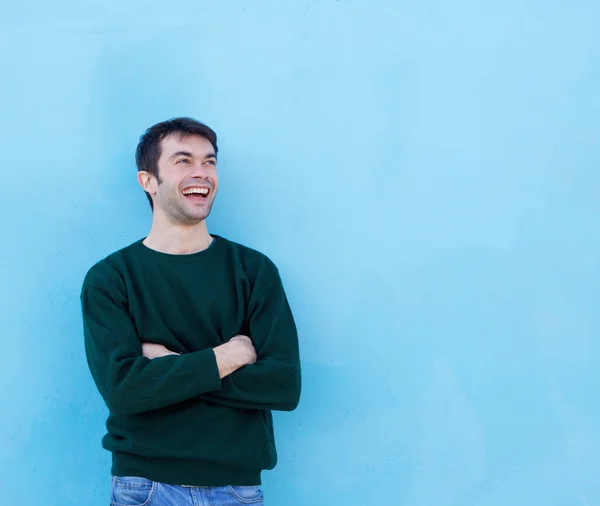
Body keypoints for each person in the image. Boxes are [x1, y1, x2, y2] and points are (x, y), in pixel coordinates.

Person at [80, 117, 301, 505]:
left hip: (237, 488)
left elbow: (283, 385)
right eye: (183, 161)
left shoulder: (253, 271)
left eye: (209, 161)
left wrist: (172, 367)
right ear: (148, 181)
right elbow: (125, 391)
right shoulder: (110, 279)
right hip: (145, 487)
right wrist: (225, 357)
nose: (202, 172)